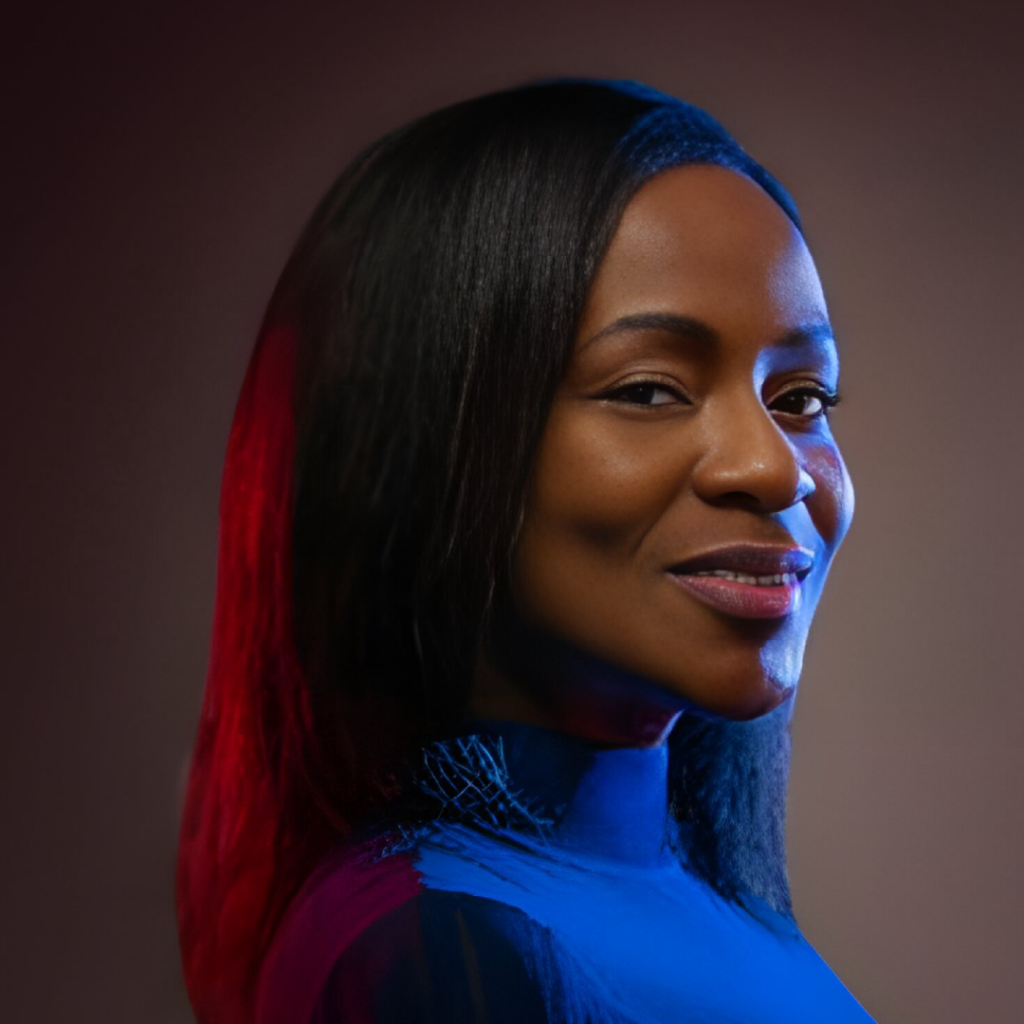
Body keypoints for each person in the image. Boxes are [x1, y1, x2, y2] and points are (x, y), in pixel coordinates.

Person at [176, 78, 876, 1023]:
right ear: (430, 439)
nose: (775, 468)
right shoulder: (440, 954)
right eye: (649, 389)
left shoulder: (690, 899)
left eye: (801, 398)